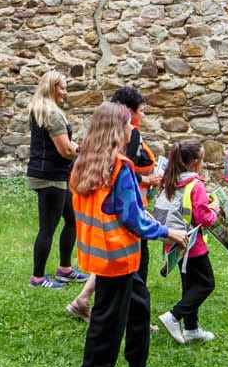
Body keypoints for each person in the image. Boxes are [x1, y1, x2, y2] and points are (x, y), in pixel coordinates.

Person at [72, 102, 176, 367]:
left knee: (138, 305)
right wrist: (167, 232)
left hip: (101, 255)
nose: (133, 127)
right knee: (107, 324)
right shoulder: (119, 167)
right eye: (129, 123)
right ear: (119, 128)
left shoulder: (83, 163)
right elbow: (133, 218)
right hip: (118, 257)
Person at [64, 86, 163, 320]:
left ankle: (86, 301)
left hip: (104, 237)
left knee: (108, 301)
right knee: (134, 274)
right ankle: (133, 318)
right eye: (140, 111)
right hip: (120, 231)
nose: (142, 117)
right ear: (126, 114)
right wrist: (147, 180)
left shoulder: (87, 157)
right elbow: (120, 175)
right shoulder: (120, 157)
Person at [153, 139, 219, 343]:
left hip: (174, 241)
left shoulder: (169, 179)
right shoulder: (195, 184)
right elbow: (204, 218)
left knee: (189, 285)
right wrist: (214, 211)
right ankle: (174, 316)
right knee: (206, 283)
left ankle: (191, 329)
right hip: (193, 245)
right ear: (195, 162)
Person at [26, 70, 85, 288]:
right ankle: (38, 277)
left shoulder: (43, 109)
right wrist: (78, 148)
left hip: (51, 175)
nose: (65, 92)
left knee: (73, 219)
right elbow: (65, 151)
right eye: (62, 88)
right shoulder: (52, 113)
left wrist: (73, 147)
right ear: (51, 88)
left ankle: (65, 269)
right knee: (47, 228)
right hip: (51, 178)